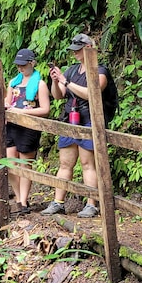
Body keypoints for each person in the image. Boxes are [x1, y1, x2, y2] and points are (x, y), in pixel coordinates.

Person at [42, 34, 116, 218]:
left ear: (90, 48)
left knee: (87, 163)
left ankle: (91, 204)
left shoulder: (100, 71)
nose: (75, 53)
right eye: (74, 49)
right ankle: (58, 202)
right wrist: (55, 81)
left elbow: (91, 93)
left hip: (89, 119)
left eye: (79, 49)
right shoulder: (72, 70)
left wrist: (65, 81)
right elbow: (58, 96)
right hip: (70, 118)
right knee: (65, 163)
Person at [4, 48, 50, 215]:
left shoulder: (40, 84)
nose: (20, 68)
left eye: (23, 65)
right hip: (11, 127)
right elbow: (8, 102)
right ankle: (17, 197)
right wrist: (8, 107)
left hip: (29, 127)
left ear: (32, 63)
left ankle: (23, 201)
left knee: (25, 165)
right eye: (18, 66)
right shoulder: (13, 83)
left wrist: (22, 112)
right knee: (10, 164)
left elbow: (45, 109)